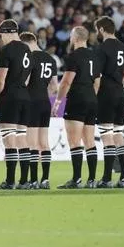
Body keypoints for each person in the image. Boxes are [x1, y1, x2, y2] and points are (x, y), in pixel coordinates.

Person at [53, 26, 99, 189]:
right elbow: (97, 82)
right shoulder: (94, 56)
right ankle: (92, 179)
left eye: (71, 36)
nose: (70, 38)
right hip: (92, 99)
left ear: (76, 38)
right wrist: (91, 96)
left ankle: (77, 179)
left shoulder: (73, 56)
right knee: (89, 141)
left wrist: (58, 101)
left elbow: (66, 82)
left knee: (74, 142)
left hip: (77, 98)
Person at [0, 19, 32, 190]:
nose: (0, 37)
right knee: (22, 139)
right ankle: (24, 181)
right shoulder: (27, 49)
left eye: (1, 34)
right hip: (24, 95)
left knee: (9, 139)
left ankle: (10, 181)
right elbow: (28, 76)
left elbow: (0, 79)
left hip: (10, 96)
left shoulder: (6, 50)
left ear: (7, 32)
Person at [92, 16, 124, 188]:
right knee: (118, 134)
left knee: (107, 135)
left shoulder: (101, 49)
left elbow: (97, 76)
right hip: (120, 94)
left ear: (101, 29)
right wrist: (121, 89)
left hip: (106, 94)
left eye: (96, 30)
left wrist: (94, 96)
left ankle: (107, 178)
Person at [20, 32, 58, 189]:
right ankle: (45, 179)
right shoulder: (50, 58)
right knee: (44, 142)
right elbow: (54, 86)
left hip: (32, 102)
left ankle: (34, 180)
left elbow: (26, 81)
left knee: (32, 143)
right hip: (45, 102)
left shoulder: (29, 58)